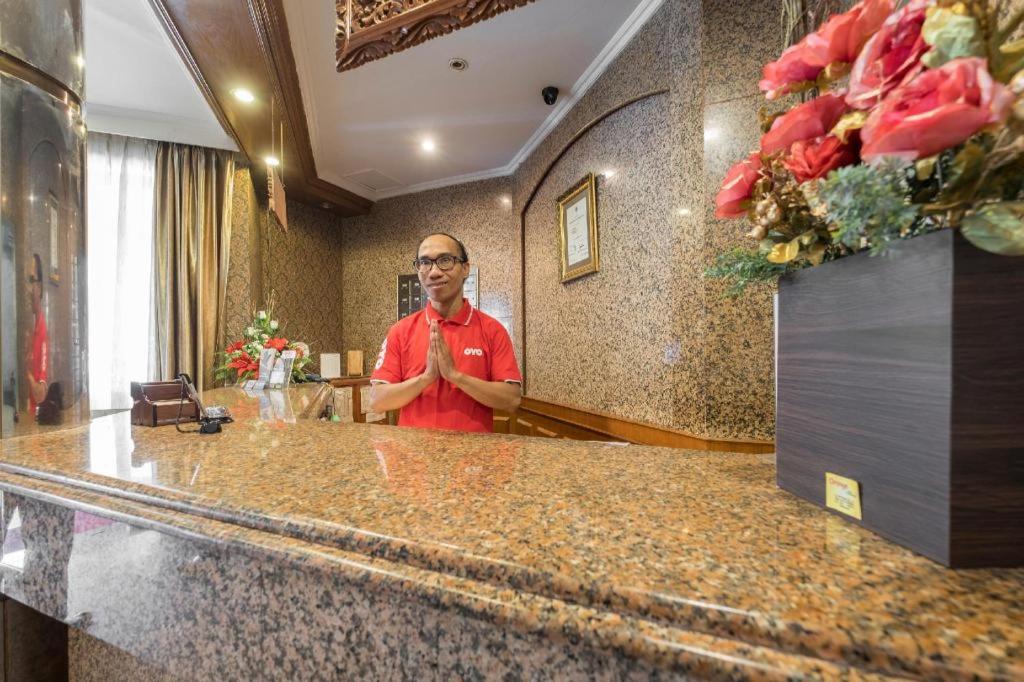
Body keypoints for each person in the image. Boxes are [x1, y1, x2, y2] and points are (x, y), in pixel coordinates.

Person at [368, 233, 521, 432]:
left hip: (472, 450)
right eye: (425, 263)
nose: (434, 272)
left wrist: (455, 376)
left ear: (465, 268)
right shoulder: (400, 330)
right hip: (413, 450)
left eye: (445, 260)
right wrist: (426, 378)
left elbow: (512, 400)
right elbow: (377, 401)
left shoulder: (493, 330)